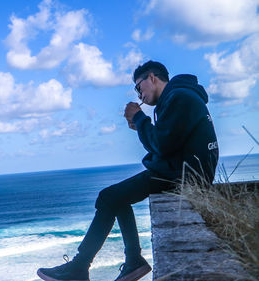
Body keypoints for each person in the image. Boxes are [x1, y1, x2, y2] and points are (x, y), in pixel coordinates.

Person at [37, 60, 219, 281]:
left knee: (108, 197)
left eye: (138, 86)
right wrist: (142, 125)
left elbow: (162, 146)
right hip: (183, 171)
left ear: (152, 78)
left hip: (183, 176)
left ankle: (82, 267)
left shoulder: (178, 97)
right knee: (115, 198)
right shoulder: (179, 97)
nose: (139, 93)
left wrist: (139, 118)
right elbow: (165, 145)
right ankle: (130, 261)